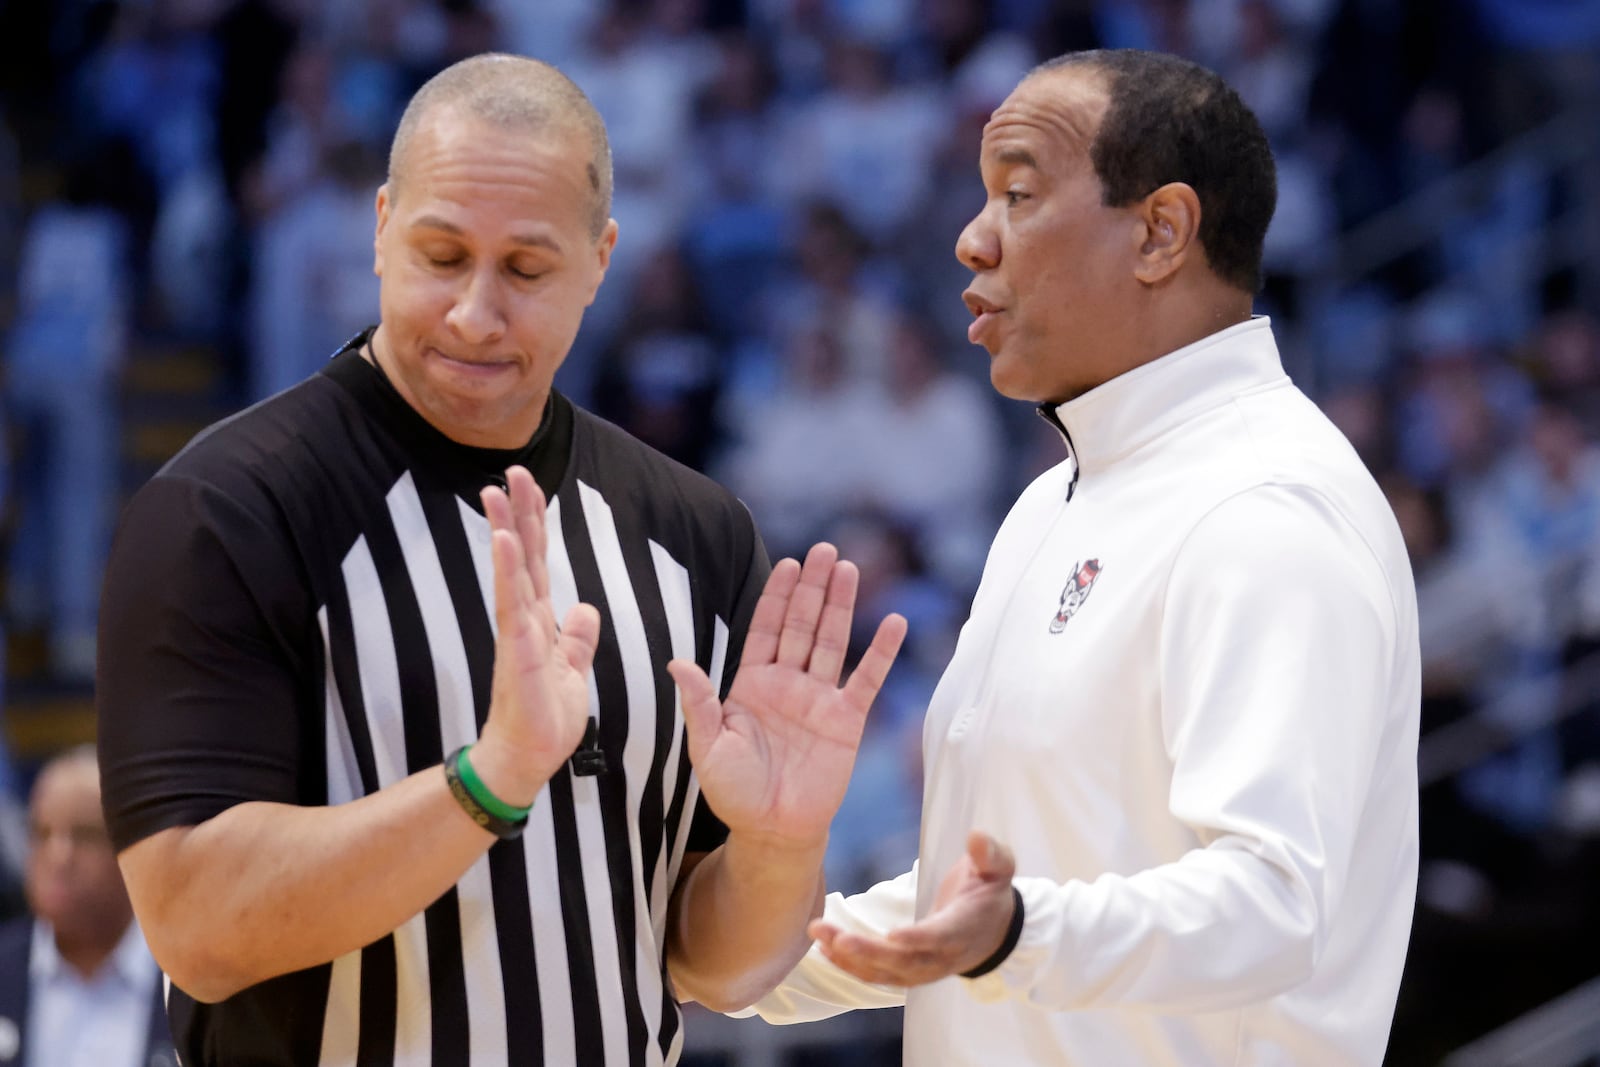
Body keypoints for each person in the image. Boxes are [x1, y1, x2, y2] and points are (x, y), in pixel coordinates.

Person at [95, 53, 905, 1067]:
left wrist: (780, 844)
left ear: (600, 259)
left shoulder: (694, 532)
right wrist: (489, 780)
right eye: (441, 254)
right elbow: (197, 926)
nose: (476, 312)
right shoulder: (228, 510)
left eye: (525, 269)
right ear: (380, 225)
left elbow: (714, 968)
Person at [739, 49, 1422, 1066]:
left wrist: (1016, 933)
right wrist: (736, 950)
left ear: (1160, 233)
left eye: (1018, 194)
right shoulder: (1053, 500)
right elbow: (988, 897)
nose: (971, 241)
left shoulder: (1266, 507)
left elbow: (1273, 901)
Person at [0, 747, 175, 1067]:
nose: (59, 856)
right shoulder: (5, 967)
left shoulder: (184, 982)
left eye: (84, 835)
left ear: (132, 848)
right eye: (42, 833)